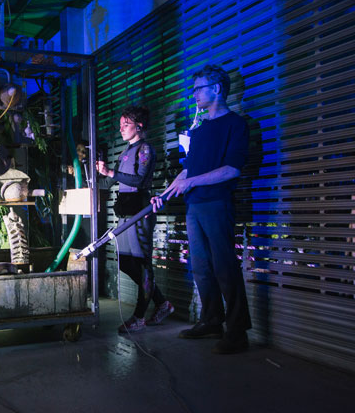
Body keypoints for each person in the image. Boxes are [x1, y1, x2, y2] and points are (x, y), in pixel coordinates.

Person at [151, 65, 252, 354]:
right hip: (194, 205)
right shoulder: (200, 129)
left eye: (199, 88)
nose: (194, 93)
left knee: (224, 267)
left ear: (217, 89)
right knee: (201, 267)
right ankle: (211, 320)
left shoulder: (236, 124)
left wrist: (191, 181)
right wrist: (165, 193)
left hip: (217, 203)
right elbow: (187, 171)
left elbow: (232, 169)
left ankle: (237, 331)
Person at [97, 105, 174, 333]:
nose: (121, 129)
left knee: (142, 264)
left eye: (126, 125)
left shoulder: (146, 149)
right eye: (120, 125)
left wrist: (111, 173)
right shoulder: (124, 152)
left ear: (139, 126)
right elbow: (110, 182)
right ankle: (161, 302)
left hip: (141, 212)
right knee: (126, 262)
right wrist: (95, 175)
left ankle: (139, 316)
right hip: (125, 213)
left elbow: (139, 180)